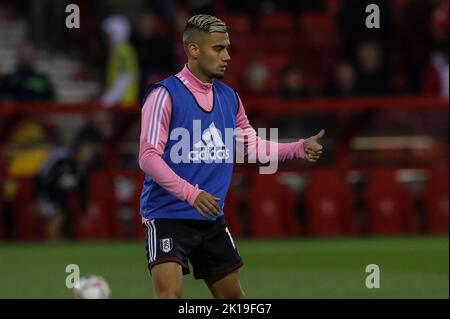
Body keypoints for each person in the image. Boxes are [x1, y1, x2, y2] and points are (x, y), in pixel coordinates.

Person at [138, 14, 325, 299]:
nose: (227, 56)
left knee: (234, 299)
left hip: (210, 217)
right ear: (194, 50)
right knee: (169, 295)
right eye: (218, 48)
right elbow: (148, 157)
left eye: (227, 48)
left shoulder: (230, 98)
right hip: (166, 215)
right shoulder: (164, 95)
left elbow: (252, 147)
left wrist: (298, 147)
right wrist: (192, 194)